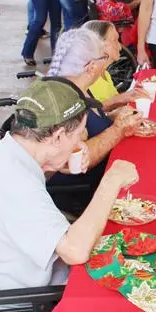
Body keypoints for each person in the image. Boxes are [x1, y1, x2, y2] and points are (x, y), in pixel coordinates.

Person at [0, 78, 139, 292]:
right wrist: (112, 180)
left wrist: (54, 163)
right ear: (57, 137)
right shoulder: (15, 181)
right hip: (33, 294)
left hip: (30, 264)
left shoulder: (3, 153)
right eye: (78, 136)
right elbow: (75, 251)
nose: (80, 143)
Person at [44, 29, 146, 216]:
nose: (107, 61)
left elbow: (94, 125)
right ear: (91, 66)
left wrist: (114, 117)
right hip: (82, 193)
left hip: (102, 174)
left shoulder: (76, 87)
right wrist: (118, 130)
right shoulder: (67, 101)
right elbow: (75, 159)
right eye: (104, 57)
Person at [83, 20, 149, 108]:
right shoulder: (89, 78)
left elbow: (113, 100)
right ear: (100, 45)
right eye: (115, 40)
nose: (120, 46)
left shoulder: (104, 73)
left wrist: (129, 95)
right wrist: (120, 98)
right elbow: (92, 113)